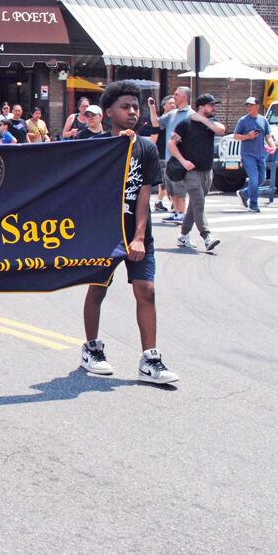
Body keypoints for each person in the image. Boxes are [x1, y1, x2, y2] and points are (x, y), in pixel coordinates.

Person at [79, 81, 179, 385]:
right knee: (98, 288)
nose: (133, 112)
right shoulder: (97, 147)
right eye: (125, 107)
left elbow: (145, 196)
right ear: (109, 112)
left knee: (146, 291)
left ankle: (150, 359)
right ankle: (91, 349)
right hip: (103, 235)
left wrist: (138, 236)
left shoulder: (146, 148)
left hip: (136, 234)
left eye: (135, 107)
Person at [168, 94, 225, 251]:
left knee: (194, 205)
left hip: (207, 171)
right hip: (191, 172)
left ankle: (183, 235)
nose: (214, 108)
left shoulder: (211, 123)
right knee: (199, 203)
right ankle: (207, 236)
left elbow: (221, 130)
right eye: (211, 105)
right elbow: (171, 144)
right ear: (202, 107)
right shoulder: (185, 124)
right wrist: (183, 161)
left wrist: (203, 120)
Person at [234, 97, 277, 213]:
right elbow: (236, 136)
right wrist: (247, 136)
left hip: (260, 154)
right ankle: (254, 204)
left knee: (261, 178)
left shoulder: (263, 120)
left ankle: (244, 193)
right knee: (253, 179)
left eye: (251, 105)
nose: (249, 108)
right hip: (248, 154)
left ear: (257, 106)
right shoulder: (243, 120)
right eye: (247, 106)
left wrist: (273, 146)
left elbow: (268, 135)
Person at [160, 87, 193, 224]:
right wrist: (151, 108)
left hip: (181, 157)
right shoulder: (172, 114)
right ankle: (176, 212)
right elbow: (157, 123)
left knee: (179, 188)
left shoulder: (191, 114)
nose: (174, 96)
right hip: (169, 157)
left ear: (184, 97)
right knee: (171, 187)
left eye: (177, 94)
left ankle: (181, 213)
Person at [149, 96, 176, 213]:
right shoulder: (160, 121)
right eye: (170, 103)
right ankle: (173, 203)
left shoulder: (176, 121)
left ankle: (160, 202)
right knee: (166, 180)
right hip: (163, 154)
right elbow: (154, 137)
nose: (172, 105)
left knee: (168, 179)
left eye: (174, 103)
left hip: (174, 153)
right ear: (164, 106)